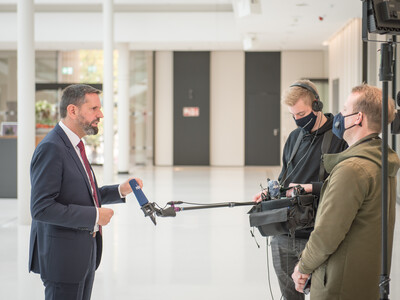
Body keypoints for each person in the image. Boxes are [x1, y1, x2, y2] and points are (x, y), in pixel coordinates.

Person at [28, 84, 143, 300]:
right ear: (72, 111)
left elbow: (82, 192)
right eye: (94, 109)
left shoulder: (74, 145)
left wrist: (121, 190)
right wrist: (95, 216)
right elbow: (41, 208)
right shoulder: (51, 148)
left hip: (83, 253)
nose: (100, 114)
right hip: (62, 258)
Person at [291, 84, 400, 299]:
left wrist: (302, 267)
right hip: (364, 279)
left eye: (344, 109)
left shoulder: (352, 169)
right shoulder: (380, 161)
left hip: (339, 285)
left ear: (358, 118)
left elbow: (326, 235)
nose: (339, 116)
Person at [253, 80, 347, 300]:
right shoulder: (295, 138)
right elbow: (284, 178)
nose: (298, 120)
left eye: (302, 113)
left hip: (318, 236)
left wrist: (309, 188)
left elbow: (343, 188)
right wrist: (269, 193)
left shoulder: (339, 139)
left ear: (317, 104)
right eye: (293, 115)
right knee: (290, 296)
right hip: (284, 235)